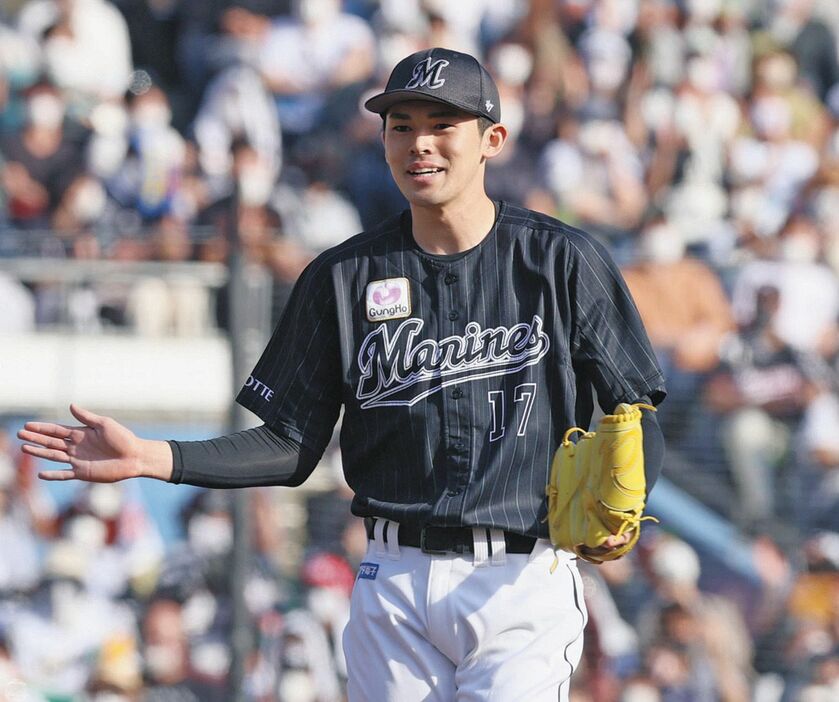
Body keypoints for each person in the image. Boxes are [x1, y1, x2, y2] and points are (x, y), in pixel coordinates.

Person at [18, 48, 666, 701]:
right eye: (401, 126)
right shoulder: (344, 276)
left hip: (519, 579)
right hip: (393, 579)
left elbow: (635, 408)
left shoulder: (560, 261)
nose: (419, 143)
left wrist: (629, 505)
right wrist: (152, 456)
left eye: (442, 125)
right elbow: (290, 444)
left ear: (491, 140)